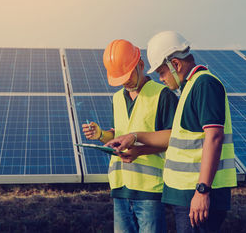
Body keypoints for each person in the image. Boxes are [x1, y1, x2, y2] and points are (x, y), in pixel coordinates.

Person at [106, 31, 237, 233]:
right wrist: (133, 137)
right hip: (186, 196)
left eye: (162, 72)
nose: (161, 78)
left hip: (197, 195)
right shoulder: (190, 88)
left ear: (175, 64)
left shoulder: (204, 84)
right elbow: (176, 137)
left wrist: (202, 191)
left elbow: (214, 137)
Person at [82, 39, 178, 233]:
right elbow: (118, 134)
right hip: (120, 188)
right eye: (120, 78)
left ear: (140, 65)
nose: (125, 81)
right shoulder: (117, 98)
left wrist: (139, 151)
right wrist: (101, 135)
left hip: (149, 190)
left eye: (127, 76)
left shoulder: (164, 95)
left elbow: (172, 139)